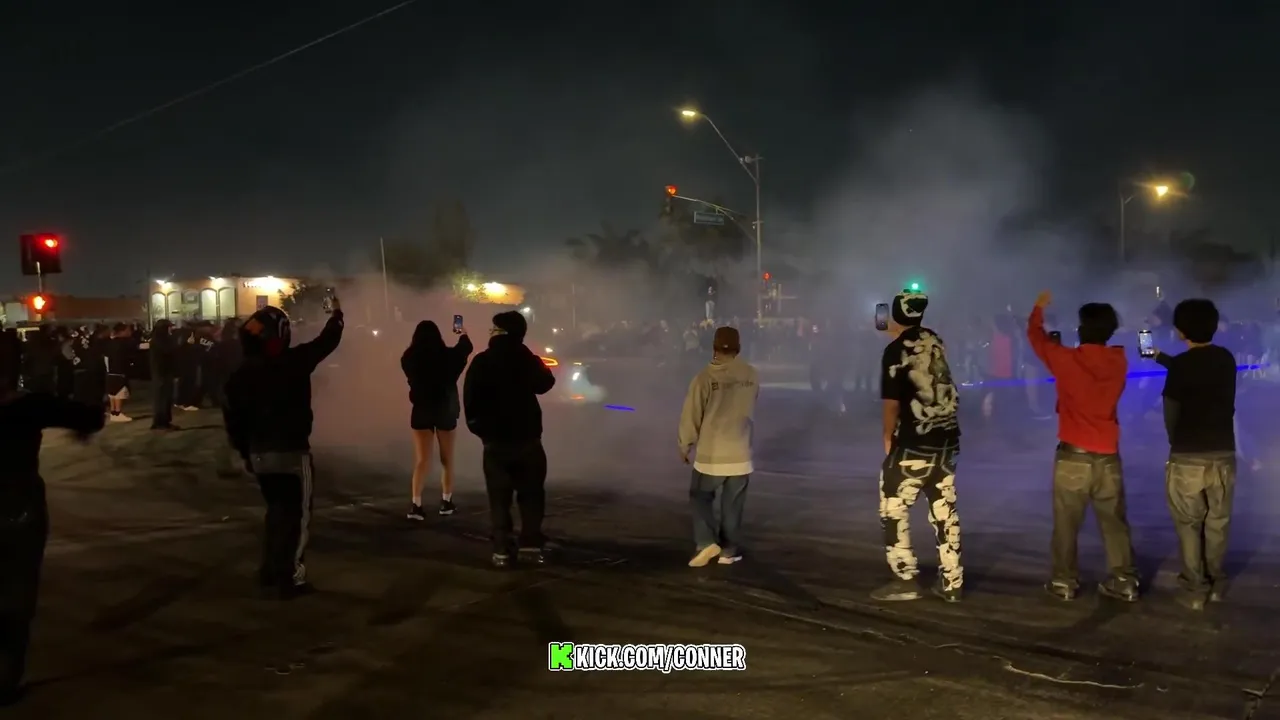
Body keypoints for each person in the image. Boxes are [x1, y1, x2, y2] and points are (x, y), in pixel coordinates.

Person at [0, 332, 104, 705]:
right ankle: (5, 678)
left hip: (19, 506)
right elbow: (89, 416)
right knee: (17, 592)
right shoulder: (30, 406)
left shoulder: (31, 405)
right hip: (18, 507)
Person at [223, 300, 344, 599]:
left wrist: (245, 453)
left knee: (276, 512)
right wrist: (337, 315)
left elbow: (234, 421)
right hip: (291, 452)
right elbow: (327, 341)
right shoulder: (293, 362)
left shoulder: (239, 375)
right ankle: (291, 577)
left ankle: (269, 569)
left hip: (259, 454)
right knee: (298, 518)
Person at [1027, 291, 1138, 602]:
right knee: (1115, 524)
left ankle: (1064, 581)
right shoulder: (1119, 361)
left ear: (1081, 329)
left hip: (1073, 456)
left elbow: (1036, 338)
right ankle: (1124, 580)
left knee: (1066, 524)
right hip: (1108, 456)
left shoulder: (1066, 360)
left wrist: (1038, 309)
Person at [873, 290, 964, 602]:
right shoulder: (935, 341)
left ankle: (905, 578)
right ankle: (952, 581)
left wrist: (888, 438)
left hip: (914, 442)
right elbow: (923, 356)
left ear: (895, 315)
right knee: (945, 510)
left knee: (893, 507)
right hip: (947, 440)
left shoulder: (894, 351)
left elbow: (891, 404)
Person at [1152, 299, 1236, 610]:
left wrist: (1176, 442)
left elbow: (1170, 412)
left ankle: (1195, 587)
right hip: (1223, 453)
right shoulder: (1226, 359)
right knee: (1218, 523)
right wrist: (1162, 358)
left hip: (1187, 455)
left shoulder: (1181, 366)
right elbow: (1197, 369)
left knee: (1189, 524)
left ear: (1180, 331)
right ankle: (1217, 583)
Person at [462, 310, 555, 568]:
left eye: (494, 328)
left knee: (499, 497)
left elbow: (470, 400)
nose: (490, 332)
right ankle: (530, 545)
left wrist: (480, 429)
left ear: (501, 332)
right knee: (531, 494)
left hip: (495, 443)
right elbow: (546, 383)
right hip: (528, 439)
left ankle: (501, 549)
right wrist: (530, 357)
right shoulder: (527, 359)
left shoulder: (482, 361)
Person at [678, 326, 759, 568]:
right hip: (741, 451)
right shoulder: (752, 375)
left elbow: (692, 414)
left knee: (700, 496)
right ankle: (728, 551)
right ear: (739, 347)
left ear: (713, 347)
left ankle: (706, 541)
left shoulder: (704, 378)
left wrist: (685, 444)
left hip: (712, 453)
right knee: (732, 506)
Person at [401, 319, 473, 520]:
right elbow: (466, 348)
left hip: (421, 409)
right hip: (445, 409)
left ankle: (416, 505)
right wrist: (462, 332)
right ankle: (446, 502)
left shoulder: (409, 358)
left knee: (422, 460)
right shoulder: (449, 357)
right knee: (447, 459)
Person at [149, 320, 179, 430]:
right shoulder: (161, 340)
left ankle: (162, 421)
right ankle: (161, 422)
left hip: (162, 373)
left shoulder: (159, 339)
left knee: (163, 398)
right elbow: (169, 352)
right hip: (162, 373)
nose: (171, 329)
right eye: (169, 327)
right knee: (163, 399)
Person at [104, 323, 134, 422]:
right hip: (119, 370)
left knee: (112, 393)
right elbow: (137, 347)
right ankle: (118, 413)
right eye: (128, 330)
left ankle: (113, 413)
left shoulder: (110, 343)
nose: (130, 332)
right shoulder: (123, 342)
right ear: (122, 331)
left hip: (110, 371)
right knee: (119, 393)